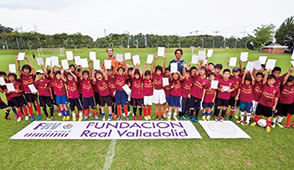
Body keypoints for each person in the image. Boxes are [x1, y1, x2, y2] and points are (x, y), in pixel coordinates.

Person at [16, 55, 41, 120]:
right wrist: (17, 60)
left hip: (33, 91)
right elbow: (18, 69)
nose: (26, 70)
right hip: (26, 92)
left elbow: (33, 68)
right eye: (24, 69)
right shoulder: (22, 76)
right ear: (23, 70)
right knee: (29, 104)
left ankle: (39, 114)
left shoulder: (32, 76)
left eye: (27, 69)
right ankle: (32, 115)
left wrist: (27, 59)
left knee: (36, 102)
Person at [152, 53, 166, 120]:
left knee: (161, 104)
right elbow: (153, 67)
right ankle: (157, 116)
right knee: (156, 104)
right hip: (156, 90)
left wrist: (164, 58)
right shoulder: (154, 75)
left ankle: (162, 115)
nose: (158, 72)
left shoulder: (162, 75)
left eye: (159, 71)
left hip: (161, 90)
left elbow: (163, 67)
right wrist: (155, 58)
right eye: (157, 71)